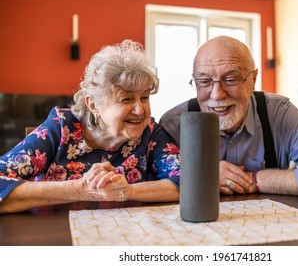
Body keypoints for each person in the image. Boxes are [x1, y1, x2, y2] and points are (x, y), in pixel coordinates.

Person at [160, 35, 298, 198]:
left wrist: (252, 179)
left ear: (253, 79)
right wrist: (204, 175)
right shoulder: (174, 124)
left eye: (230, 79)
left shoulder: (279, 114)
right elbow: (151, 185)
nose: (216, 94)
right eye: (204, 82)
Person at [0, 40, 180, 213]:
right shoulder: (61, 127)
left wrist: (127, 191)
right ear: (93, 105)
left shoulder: (150, 133)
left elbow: (190, 182)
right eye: (126, 99)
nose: (140, 110)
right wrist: (81, 188)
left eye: (145, 97)